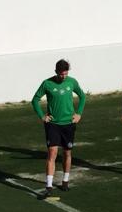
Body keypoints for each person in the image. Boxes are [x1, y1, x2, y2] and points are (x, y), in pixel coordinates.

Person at [32, 59, 86, 197]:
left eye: (66, 73)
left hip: (69, 123)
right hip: (53, 124)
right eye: (61, 74)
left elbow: (82, 96)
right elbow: (35, 99)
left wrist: (78, 113)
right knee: (52, 153)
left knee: (67, 153)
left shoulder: (72, 82)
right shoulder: (47, 83)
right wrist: (42, 116)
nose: (64, 76)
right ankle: (49, 186)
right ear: (56, 71)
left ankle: (65, 181)